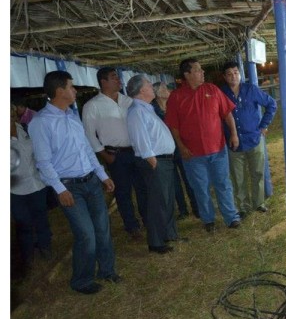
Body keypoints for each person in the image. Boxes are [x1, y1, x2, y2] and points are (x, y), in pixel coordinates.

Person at [28, 70, 121, 294]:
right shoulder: (41, 122)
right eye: (71, 86)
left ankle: (107, 270)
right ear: (60, 91)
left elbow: (86, 150)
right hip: (70, 186)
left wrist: (102, 175)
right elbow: (43, 161)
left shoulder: (71, 115)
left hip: (90, 180)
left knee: (102, 228)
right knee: (86, 234)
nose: (75, 90)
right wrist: (60, 189)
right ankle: (81, 280)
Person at [165, 58, 241, 232]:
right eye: (198, 70)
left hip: (218, 149)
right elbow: (173, 126)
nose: (202, 73)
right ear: (187, 74)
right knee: (201, 188)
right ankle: (208, 220)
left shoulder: (212, 90)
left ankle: (231, 217)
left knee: (223, 184)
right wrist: (181, 147)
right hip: (193, 155)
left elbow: (227, 114)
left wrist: (234, 135)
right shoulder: (176, 97)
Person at [82, 67, 147, 240]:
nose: (119, 80)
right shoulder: (92, 106)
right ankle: (131, 226)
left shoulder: (128, 101)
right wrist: (105, 155)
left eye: (118, 77)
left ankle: (148, 219)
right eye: (113, 77)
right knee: (123, 192)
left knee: (143, 187)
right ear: (103, 81)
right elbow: (89, 135)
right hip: (115, 155)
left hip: (136, 151)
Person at [127, 75, 185, 254]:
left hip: (162, 159)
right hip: (155, 161)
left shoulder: (146, 108)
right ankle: (156, 242)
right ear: (141, 90)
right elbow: (140, 138)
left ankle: (168, 233)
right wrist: (151, 159)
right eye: (148, 84)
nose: (152, 87)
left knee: (166, 200)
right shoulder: (137, 111)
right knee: (157, 202)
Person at [220, 61, 277, 218]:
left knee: (257, 172)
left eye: (236, 72)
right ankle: (243, 207)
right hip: (234, 143)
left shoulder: (250, 89)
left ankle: (259, 203)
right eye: (230, 74)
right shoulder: (221, 94)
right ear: (224, 77)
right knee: (238, 177)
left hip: (254, 139)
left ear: (240, 73)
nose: (234, 76)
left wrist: (263, 125)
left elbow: (271, 104)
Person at [10, 104, 53, 273]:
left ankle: (45, 248)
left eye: (11, 111)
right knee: (23, 223)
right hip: (15, 190)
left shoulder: (25, 129)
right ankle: (28, 258)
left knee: (41, 217)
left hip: (37, 184)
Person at [151, 82, 199, 220]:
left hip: (181, 146)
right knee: (174, 181)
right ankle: (183, 210)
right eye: (165, 89)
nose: (168, 90)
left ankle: (196, 207)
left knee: (189, 178)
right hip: (165, 150)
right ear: (158, 94)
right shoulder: (153, 110)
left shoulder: (174, 105)